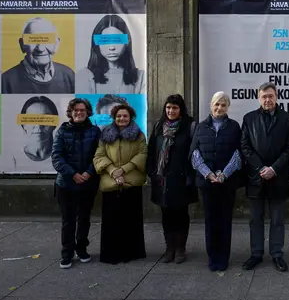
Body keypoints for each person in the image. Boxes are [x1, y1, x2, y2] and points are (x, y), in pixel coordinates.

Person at [240, 82, 289, 272]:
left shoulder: (288, 119)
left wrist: (273, 168)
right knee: (255, 219)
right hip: (255, 178)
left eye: (270, 96)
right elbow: (245, 146)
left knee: (278, 219)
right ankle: (256, 254)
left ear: (276, 97)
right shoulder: (249, 118)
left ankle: (277, 254)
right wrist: (260, 167)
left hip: (278, 177)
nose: (267, 100)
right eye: (264, 96)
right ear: (259, 98)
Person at [190, 91, 242, 271]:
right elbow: (194, 153)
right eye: (216, 104)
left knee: (225, 220)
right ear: (211, 106)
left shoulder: (234, 127)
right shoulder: (200, 127)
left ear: (228, 107)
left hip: (227, 183)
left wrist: (224, 174)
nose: (219, 108)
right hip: (207, 183)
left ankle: (223, 258)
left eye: (223, 105)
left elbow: (238, 153)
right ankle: (212, 258)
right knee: (210, 221)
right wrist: (208, 174)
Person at [93, 103, 147, 264]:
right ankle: (112, 254)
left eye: (125, 116)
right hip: (111, 182)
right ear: (114, 117)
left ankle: (132, 253)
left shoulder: (139, 135)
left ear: (131, 117)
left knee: (131, 220)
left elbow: (143, 154)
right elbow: (99, 156)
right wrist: (113, 171)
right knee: (111, 221)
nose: (122, 118)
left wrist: (123, 170)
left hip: (131, 181)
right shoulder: (105, 134)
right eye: (119, 116)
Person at [146, 94, 198, 264]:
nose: (171, 111)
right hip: (162, 179)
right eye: (168, 107)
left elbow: (194, 153)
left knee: (181, 214)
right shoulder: (158, 126)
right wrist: (152, 173)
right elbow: (151, 152)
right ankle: (169, 248)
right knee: (166, 215)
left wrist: (189, 175)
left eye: (175, 107)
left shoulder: (189, 126)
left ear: (181, 109)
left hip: (181, 179)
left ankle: (180, 248)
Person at [51, 98, 101, 269]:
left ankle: (82, 249)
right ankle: (67, 252)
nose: (79, 113)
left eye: (82, 110)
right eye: (76, 110)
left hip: (88, 183)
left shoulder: (95, 131)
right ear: (71, 113)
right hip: (66, 184)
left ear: (87, 112)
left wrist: (88, 172)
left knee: (84, 218)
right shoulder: (62, 131)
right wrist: (72, 174)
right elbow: (56, 157)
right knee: (68, 220)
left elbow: (99, 155)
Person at [1, 17, 75, 94]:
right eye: (33, 40)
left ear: (56, 44)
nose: (40, 48)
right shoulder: (5, 81)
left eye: (46, 40)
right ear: (22, 44)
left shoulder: (69, 76)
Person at [76, 14, 146, 94]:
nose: (111, 47)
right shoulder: (84, 76)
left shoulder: (141, 77)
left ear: (127, 41)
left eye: (117, 40)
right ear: (96, 43)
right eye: (105, 41)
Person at [10, 96, 60, 173]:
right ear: (23, 125)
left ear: (55, 123)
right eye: (32, 119)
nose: (38, 126)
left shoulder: (63, 156)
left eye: (45, 119)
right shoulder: (14, 158)